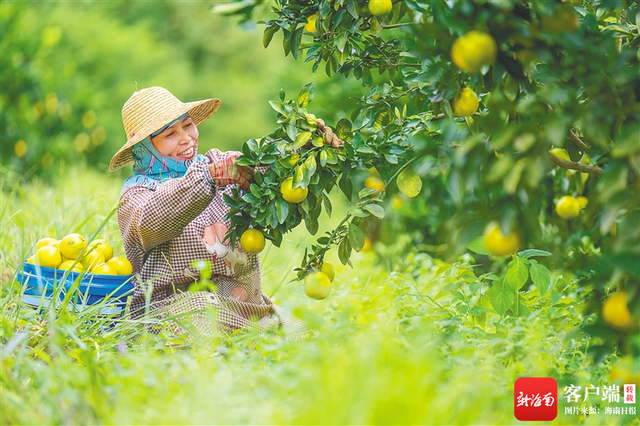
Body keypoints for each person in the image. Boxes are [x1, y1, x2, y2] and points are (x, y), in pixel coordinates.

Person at [110, 86, 340, 339]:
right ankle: (248, 340)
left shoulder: (217, 164)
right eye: (170, 134)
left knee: (311, 337)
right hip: (173, 311)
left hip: (246, 308)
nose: (186, 138)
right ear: (145, 147)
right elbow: (150, 220)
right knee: (203, 316)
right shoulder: (137, 195)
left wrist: (304, 148)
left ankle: (256, 334)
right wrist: (207, 178)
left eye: (188, 125)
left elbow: (263, 165)